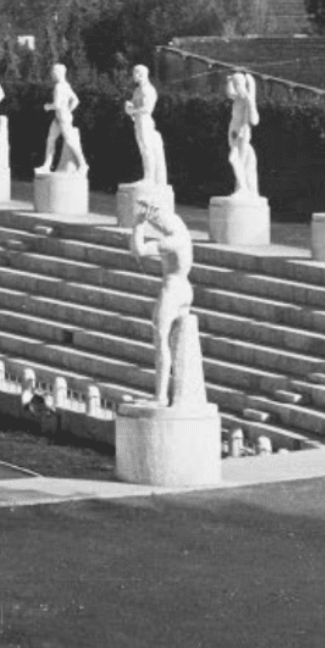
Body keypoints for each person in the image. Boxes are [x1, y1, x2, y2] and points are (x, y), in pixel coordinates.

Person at [131, 198, 194, 405]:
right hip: (184, 289)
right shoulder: (183, 233)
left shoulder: (172, 240)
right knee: (175, 343)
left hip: (172, 289)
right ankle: (178, 395)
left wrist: (139, 224)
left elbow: (138, 250)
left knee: (161, 342)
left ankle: (161, 396)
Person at [39, 62, 85, 174]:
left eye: (53, 72)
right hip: (59, 118)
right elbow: (76, 100)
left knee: (70, 141)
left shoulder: (59, 86)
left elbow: (57, 105)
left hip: (63, 118)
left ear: (59, 73)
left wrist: (47, 106)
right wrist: (69, 110)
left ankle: (83, 165)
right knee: (50, 139)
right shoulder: (66, 85)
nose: (52, 75)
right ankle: (47, 165)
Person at [125, 65, 166, 187]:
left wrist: (133, 111)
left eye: (135, 73)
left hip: (144, 121)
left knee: (147, 148)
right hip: (137, 120)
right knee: (143, 148)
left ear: (142, 74)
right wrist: (129, 108)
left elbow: (147, 109)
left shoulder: (148, 90)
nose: (134, 76)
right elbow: (133, 106)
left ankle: (150, 178)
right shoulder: (137, 90)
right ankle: (147, 176)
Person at [225, 69, 260, 198]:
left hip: (242, 133)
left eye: (237, 85)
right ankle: (241, 187)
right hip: (233, 131)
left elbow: (255, 120)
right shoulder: (237, 99)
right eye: (235, 85)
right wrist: (229, 81)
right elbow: (230, 94)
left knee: (234, 158)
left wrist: (251, 104)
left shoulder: (247, 99)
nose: (236, 88)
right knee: (241, 161)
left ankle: (243, 189)